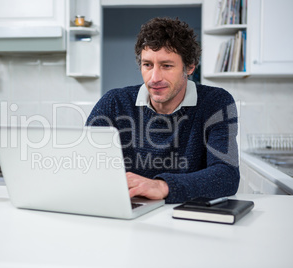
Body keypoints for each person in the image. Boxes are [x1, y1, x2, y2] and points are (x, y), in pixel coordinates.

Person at [86, 17, 239, 204]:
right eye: (147, 65)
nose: (154, 78)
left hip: (187, 218)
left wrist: (162, 186)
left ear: (190, 67)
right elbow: (86, 166)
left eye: (166, 66)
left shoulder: (216, 102)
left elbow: (226, 175)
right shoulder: (114, 102)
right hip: (127, 213)